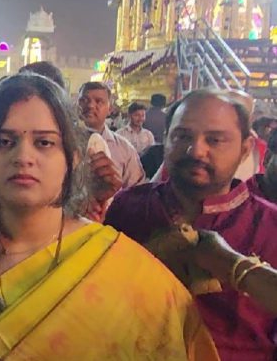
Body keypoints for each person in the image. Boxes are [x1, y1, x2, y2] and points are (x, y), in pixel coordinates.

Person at [0, 73, 217, 360]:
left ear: (71, 159)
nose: (23, 157)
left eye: (44, 143)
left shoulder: (114, 263)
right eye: (5, 141)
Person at [105, 89, 277, 361]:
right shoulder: (129, 206)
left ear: (245, 149)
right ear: (165, 139)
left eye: (215, 140)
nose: (196, 150)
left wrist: (234, 267)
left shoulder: (269, 225)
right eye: (182, 136)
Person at [78, 82, 145, 189]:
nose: (90, 105)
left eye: (99, 101)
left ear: (110, 109)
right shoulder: (62, 143)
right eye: (84, 100)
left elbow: (136, 192)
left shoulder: (125, 149)